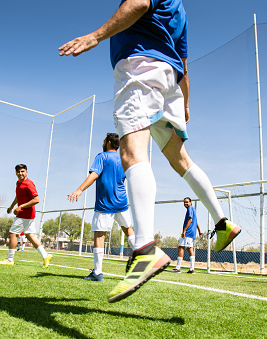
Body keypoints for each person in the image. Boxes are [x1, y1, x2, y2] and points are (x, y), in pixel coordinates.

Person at [59, 0, 241, 303]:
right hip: (169, 81)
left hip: (138, 68)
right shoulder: (180, 11)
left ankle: (144, 249)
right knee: (180, 158)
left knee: (132, 151)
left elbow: (139, 2)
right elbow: (184, 64)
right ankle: (223, 222)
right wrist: (183, 103)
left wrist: (95, 36)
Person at [68, 133, 136, 282]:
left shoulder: (102, 156)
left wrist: (79, 189)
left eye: (104, 140)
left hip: (105, 203)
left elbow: (94, 174)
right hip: (122, 202)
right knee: (128, 229)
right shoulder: (124, 159)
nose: (103, 142)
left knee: (99, 235)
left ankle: (97, 273)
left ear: (109, 143)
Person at [0, 164, 52, 267]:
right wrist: (11, 206)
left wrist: (21, 207)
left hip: (26, 214)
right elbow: (18, 196)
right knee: (30, 235)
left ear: (26, 172)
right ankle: (45, 256)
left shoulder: (29, 184)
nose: (20, 173)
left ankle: (9, 259)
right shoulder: (18, 183)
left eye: (22, 171)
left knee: (12, 233)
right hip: (28, 215)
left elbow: (36, 200)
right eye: (18, 172)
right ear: (16, 173)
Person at [172, 197, 203, 274]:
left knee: (181, 247)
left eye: (187, 202)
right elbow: (196, 221)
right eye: (184, 202)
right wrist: (200, 231)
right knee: (190, 249)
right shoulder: (193, 210)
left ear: (190, 202)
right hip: (192, 233)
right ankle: (192, 269)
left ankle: (178, 267)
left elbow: (191, 220)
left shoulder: (190, 208)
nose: (185, 204)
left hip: (188, 232)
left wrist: (184, 231)